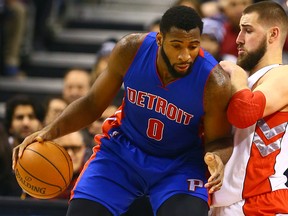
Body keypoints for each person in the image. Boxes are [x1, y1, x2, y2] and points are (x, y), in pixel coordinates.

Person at [13, 6, 233, 216]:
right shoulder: (131, 50)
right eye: (177, 46)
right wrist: (48, 132)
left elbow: (220, 140)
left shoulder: (214, 82)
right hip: (123, 151)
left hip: (179, 164)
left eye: (193, 46)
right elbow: (92, 104)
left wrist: (216, 157)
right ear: (160, 40)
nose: (185, 55)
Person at [210, 1, 288, 215]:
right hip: (221, 202)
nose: (238, 39)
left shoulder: (283, 75)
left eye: (248, 30)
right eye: (239, 30)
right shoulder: (243, 83)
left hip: (262, 202)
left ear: (273, 35)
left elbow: (244, 113)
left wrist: (236, 73)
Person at [2, 95, 45, 197]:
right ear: (10, 126)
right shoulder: (2, 154)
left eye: (31, 117)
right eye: (19, 117)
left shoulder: (50, 154)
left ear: (41, 124)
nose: (26, 123)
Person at [54, 130, 92, 200]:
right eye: (64, 148)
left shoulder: (94, 179)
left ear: (84, 149)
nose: (70, 154)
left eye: (75, 148)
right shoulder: (43, 178)